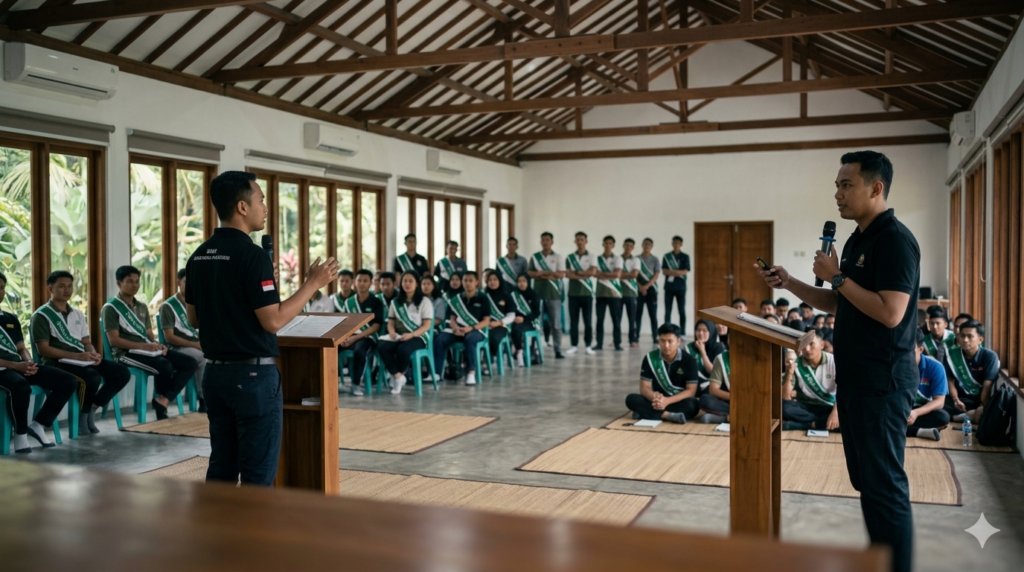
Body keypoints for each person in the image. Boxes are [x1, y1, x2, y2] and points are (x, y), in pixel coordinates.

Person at [758, 150, 920, 572]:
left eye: (846, 185)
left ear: (876, 187)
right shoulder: (858, 237)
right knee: (867, 483)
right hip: (856, 378)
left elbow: (890, 312)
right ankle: (880, 559)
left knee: (884, 487)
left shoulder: (894, 240)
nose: (837, 194)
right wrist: (791, 283)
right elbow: (840, 302)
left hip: (882, 382)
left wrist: (836, 275)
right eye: (837, 185)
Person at [185, 170, 338, 486]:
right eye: (261, 200)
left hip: (215, 376)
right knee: (257, 475)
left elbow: (194, 320)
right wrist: (313, 283)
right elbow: (274, 320)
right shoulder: (251, 255)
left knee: (222, 470)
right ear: (242, 207)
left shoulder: (199, 256)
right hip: (252, 377)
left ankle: (217, 533)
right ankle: (251, 536)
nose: (265, 207)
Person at [32, 270, 131, 435]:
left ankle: (92, 408)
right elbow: (43, 349)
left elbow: (86, 342)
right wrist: (78, 356)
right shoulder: (41, 315)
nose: (67, 290)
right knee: (91, 376)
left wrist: (92, 353)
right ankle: (82, 418)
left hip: (81, 359)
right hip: (57, 362)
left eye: (70, 286)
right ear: (50, 289)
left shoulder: (77, 313)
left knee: (121, 372)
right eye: (61, 286)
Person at [103, 265, 197, 421]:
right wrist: (145, 346)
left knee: (189, 363)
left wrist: (157, 345)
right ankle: (162, 406)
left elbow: (148, 335)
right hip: (125, 353)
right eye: (130, 281)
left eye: (137, 281)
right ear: (119, 284)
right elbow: (114, 340)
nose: (135, 285)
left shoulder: (141, 306)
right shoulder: (111, 308)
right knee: (164, 365)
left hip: (146, 350)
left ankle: (164, 400)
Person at [0, 272, 77, 451]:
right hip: (4, 370)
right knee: (20, 386)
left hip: (18, 366)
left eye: (2, 287)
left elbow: (21, 348)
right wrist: (15, 365)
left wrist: (29, 362)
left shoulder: (10, 318)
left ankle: (39, 424)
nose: (0, 291)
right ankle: (20, 435)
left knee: (67, 381)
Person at [625, 323, 699, 424]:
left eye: (670, 341)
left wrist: (667, 401)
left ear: (678, 341)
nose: (666, 345)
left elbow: (691, 391)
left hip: (677, 400)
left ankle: (646, 413)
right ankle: (667, 415)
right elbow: (644, 388)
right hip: (657, 399)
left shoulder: (689, 360)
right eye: (662, 341)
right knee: (631, 399)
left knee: (693, 405)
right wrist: (657, 399)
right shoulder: (650, 358)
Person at [377, 270, 434, 395]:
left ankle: (396, 376)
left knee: (403, 350)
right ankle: (398, 377)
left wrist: (412, 335)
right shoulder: (395, 302)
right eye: (404, 281)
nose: (407, 284)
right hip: (399, 336)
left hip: (418, 336)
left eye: (410, 281)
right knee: (382, 347)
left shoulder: (425, 302)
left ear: (417, 283)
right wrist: (391, 332)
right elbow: (391, 321)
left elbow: (426, 326)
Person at [158, 269, 207, 413]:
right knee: (202, 357)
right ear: (178, 282)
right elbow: (169, 337)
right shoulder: (168, 306)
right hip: (178, 348)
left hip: (199, 344)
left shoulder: (198, 302)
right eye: (187, 282)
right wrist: (196, 345)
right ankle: (204, 400)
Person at [434, 271, 489, 385]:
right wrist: (455, 328)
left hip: (476, 330)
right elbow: (452, 319)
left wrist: (471, 327)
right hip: (458, 331)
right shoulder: (456, 299)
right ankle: (437, 373)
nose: (467, 283)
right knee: (440, 339)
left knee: (469, 339)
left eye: (470, 281)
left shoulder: (483, 298)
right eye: (465, 280)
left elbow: (486, 321)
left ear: (476, 282)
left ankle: (471, 373)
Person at [337, 269, 385, 396]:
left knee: (360, 351)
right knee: (330, 348)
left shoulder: (376, 302)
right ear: (355, 282)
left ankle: (356, 384)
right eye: (359, 280)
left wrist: (355, 338)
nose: (362, 283)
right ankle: (332, 382)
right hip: (350, 336)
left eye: (365, 281)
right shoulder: (349, 302)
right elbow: (345, 323)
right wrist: (344, 338)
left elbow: (376, 326)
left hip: (367, 337)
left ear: (371, 283)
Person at [943, 319, 999, 424]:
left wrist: (982, 405)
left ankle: (960, 417)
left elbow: (987, 385)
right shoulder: (951, 354)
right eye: (962, 336)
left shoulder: (990, 356)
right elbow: (950, 380)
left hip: (979, 400)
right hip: (959, 399)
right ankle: (967, 416)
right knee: (938, 402)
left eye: (970, 336)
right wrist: (955, 400)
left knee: (989, 410)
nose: (965, 340)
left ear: (980, 339)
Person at [781, 330, 838, 431]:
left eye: (811, 344)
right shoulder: (796, 363)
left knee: (849, 413)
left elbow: (844, 392)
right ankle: (820, 424)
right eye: (804, 345)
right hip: (805, 407)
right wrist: (789, 373)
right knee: (783, 407)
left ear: (822, 345)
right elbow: (785, 397)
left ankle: (804, 425)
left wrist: (836, 413)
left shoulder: (833, 362)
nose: (807, 349)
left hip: (829, 407)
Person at [527, 232, 565, 359]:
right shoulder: (535, 257)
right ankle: (534, 350)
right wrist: (546, 274)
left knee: (556, 324)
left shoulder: (558, 257)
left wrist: (541, 274)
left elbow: (560, 274)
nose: (545, 242)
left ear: (552, 242)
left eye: (547, 240)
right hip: (537, 295)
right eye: (543, 240)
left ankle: (558, 350)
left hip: (554, 295)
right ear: (540, 242)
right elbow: (530, 273)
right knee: (536, 324)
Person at [908, 331, 950, 441]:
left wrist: (916, 413)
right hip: (901, 409)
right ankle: (919, 431)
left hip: (921, 411)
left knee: (942, 417)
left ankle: (902, 428)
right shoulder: (895, 365)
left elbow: (939, 401)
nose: (905, 355)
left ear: (920, 349)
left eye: (910, 351)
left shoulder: (935, 367)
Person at [565, 232, 597, 355]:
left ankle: (588, 345)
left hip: (587, 293)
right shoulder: (569, 257)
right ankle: (574, 345)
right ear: (575, 241)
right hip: (573, 294)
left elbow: (592, 272)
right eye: (577, 240)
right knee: (574, 321)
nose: (580, 242)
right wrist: (584, 273)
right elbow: (567, 274)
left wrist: (576, 272)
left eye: (582, 239)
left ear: (586, 241)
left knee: (588, 321)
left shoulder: (592, 256)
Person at [594, 235, 624, 352]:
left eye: (610, 243)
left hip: (614, 293)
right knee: (599, 320)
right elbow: (594, 273)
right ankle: (599, 343)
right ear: (603, 244)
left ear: (613, 245)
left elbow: (617, 274)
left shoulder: (618, 259)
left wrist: (601, 275)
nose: (608, 245)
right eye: (606, 243)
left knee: (616, 320)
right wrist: (608, 275)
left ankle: (617, 343)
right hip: (600, 293)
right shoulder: (597, 259)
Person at [687, 319, 725, 394]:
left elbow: (712, 372)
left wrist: (703, 352)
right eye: (698, 330)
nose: (701, 333)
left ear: (711, 332)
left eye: (704, 330)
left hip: (712, 384)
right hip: (693, 383)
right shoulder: (689, 347)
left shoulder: (718, 347)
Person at [511, 274, 541, 367]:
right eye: (519, 281)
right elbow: (510, 309)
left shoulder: (533, 294)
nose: (521, 283)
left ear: (528, 282)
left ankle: (520, 352)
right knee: (513, 329)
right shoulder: (513, 295)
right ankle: (519, 351)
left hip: (530, 321)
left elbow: (536, 313)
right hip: (515, 320)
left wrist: (524, 318)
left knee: (517, 330)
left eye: (524, 281)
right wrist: (515, 318)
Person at [662, 236, 690, 332]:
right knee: (667, 311)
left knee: (681, 311)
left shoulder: (685, 257)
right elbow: (664, 271)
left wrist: (672, 272)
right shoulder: (667, 256)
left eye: (678, 243)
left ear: (681, 244)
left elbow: (685, 271)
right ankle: (667, 331)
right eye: (674, 242)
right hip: (669, 288)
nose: (676, 244)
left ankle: (682, 332)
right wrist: (677, 272)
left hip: (681, 288)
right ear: (672, 243)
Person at [484, 272, 515, 360]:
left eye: (495, 279)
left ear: (500, 281)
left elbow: (511, 316)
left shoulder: (506, 296)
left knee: (492, 337)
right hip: (484, 325)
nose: (492, 282)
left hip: (501, 325)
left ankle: (488, 360)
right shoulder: (483, 295)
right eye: (490, 280)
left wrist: (499, 323)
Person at [637, 238, 661, 343]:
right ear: (642, 245)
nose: (647, 246)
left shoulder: (655, 259)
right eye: (645, 244)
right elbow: (634, 275)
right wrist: (640, 287)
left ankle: (655, 337)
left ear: (651, 246)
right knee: (637, 314)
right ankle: (635, 337)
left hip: (651, 290)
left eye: (649, 244)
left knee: (653, 315)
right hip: (638, 289)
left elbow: (656, 275)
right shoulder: (636, 259)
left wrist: (646, 286)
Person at [698, 348, 730, 424]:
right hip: (730, 400)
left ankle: (724, 418)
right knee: (705, 400)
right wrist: (734, 397)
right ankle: (740, 414)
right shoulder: (722, 358)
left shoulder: (753, 357)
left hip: (750, 401)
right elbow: (713, 390)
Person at [620, 238, 642, 348]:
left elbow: (634, 274)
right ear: (623, 246)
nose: (628, 247)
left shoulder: (636, 260)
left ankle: (633, 340)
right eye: (626, 245)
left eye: (630, 246)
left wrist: (619, 275)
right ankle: (616, 340)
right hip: (618, 292)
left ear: (633, 248)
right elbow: (615, 274)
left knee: (632, 319)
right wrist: (626, 274)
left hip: (631, 293)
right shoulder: (617, 259)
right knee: (617, 319)